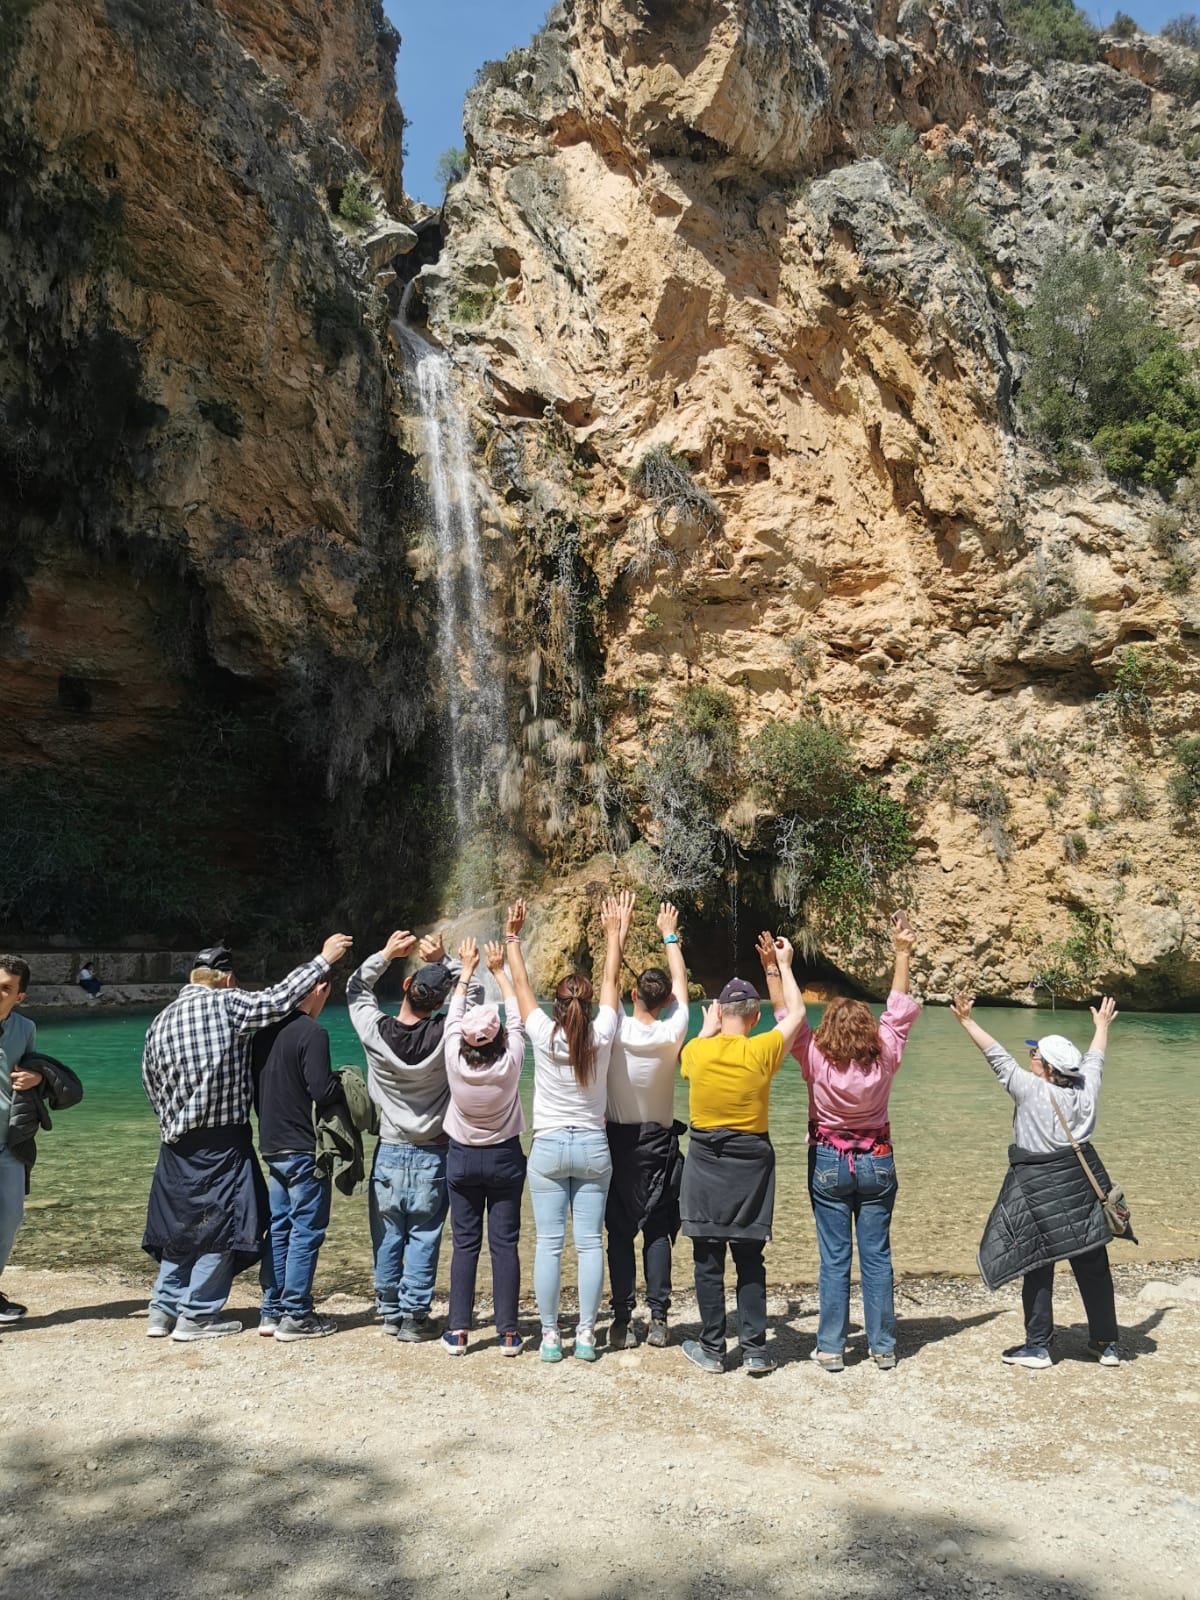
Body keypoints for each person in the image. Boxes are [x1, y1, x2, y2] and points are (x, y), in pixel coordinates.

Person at [141, 935, 353, 1341]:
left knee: (182, 1227)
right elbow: (279, 999)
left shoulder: (161, 1020)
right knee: (222, 1225)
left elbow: (149, 1082)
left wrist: (171, 1123)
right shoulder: (227, 1004)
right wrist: (324, 960)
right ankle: (198, 1315)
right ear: (226, 979)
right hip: (223, 1139)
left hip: (174, 1142)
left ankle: (162, 1311)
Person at [760, 911, 919, 1372]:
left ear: (827, 1030)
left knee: (834, 1259)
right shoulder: (885, 1055)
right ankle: (883, 1346)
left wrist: (776, 968)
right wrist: (902, 952)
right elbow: (898, 1006)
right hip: (878, 1162)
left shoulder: (813, 1056)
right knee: (877, 1257)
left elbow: (787, 1017)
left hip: (828, 1160)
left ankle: (831, 1348)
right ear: (868, 1031)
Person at [952, 992, 1123, 1368]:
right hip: (1080, 1185)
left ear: (1047, 1068)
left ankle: (1039, 1346)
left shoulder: (1031, 1090)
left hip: (1039, 1188)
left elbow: (995, 1055)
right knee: (1093, 1262)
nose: (1028, 1058)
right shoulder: (1085, 1090)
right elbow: (1095, 1058)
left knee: (1038, 1261)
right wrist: (1101, 1027)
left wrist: (966, 1021)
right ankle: (1106, 1344)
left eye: (1034, 1055)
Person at [505, 891, 632, 1363]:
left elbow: (520, 986)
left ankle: (550, 1335)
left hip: (549, 1148)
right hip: (594, 1148)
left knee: (549, 1246)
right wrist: (613, 934)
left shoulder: (541, 1033)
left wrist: (513, 936)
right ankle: (585, 1334)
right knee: (590, 1243)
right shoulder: (601, 1035)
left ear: (556, 1007)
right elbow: (612, 982)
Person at [678, 938, 806, 1376]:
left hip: (706, 1161)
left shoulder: (697, 1052)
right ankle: (754, 1349)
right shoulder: (763, 1049)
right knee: (750, 1257)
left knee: (707, 1257)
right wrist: (784, 966)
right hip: (751, 1163)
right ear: (755, 1016)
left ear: (720, 1015)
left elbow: (689, 1054)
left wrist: (706, 1029)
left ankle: (713, 1349)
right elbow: (800, 1015)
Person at [347, 928, 471, 1340]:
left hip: (390, 1149)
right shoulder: (448, 1035)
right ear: (439, 1003)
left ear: (405, 986)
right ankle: (415, 1317)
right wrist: (447, 960)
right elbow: (474, 1001)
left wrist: (386, 952)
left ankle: (389, 1311)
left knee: (387, 1233)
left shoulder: (374, 1031)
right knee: (424, 1235)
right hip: (434, 1152)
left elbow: (355, 987)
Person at [604, 901, 689, 1350]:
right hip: (659, 1145)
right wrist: (669, 933)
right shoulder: (672, 1032)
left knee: (619, 1233)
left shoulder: (613, 1028)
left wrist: (616, 932)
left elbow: (609, 982)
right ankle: (658, 1319)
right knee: (657, 1231)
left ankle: (622, 1320)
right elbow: (680, 989)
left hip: (617, 1144)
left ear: (633, 996)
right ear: (668, 1002)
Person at [441, 937, 528, 1357]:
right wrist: (499, 972)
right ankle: (509, 1334)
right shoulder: (510, 1061)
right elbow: (518, 1018)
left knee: (465, 1244)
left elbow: (453, 1018)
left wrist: (467, 971)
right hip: (505, 1157)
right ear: (497, 1039)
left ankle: (459, 1332)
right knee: (504, 1244)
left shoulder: (453, 1060)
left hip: (460, 1158)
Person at [252, 975, 345, 1341]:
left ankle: (270, 1310)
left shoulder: (263, 1033)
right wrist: (344, 1082)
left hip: (271, 1143)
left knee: (279, 1228)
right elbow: (321, 1091)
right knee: (307, 1230)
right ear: (319, 990)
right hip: (303, 1146)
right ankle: (297, 1314)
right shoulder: (313, 1033)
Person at [1, 957, 83, 1325]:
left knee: (11, 1216)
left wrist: (36, 1079)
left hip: (10, 1141)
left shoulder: (26, 1028)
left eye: (5, 988)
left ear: (20, 997)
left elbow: (29, 1067)